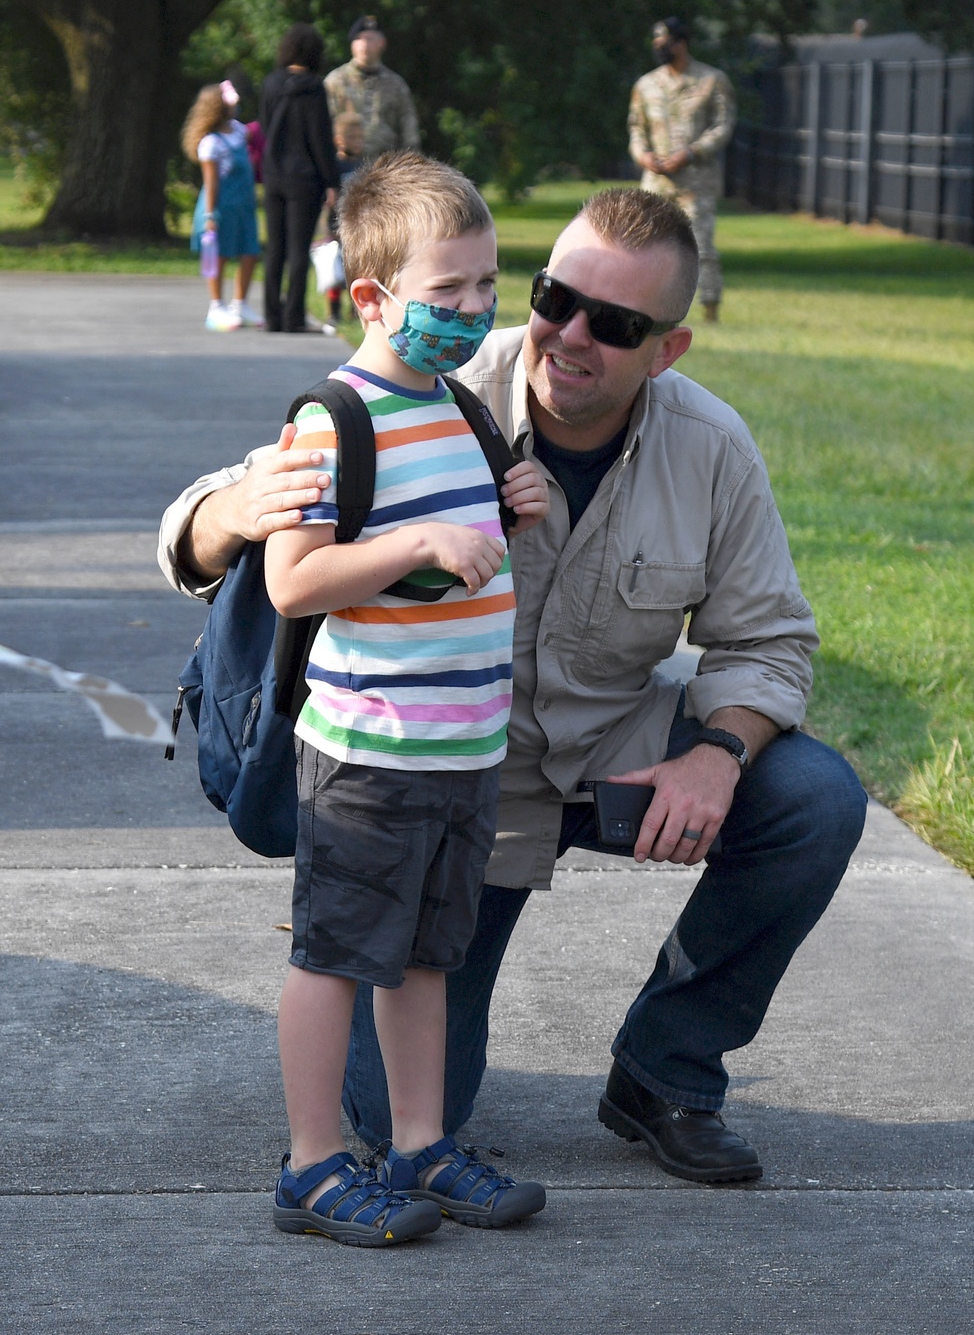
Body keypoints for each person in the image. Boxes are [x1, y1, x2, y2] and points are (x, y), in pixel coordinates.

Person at [159, 186, 868, 1188]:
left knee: (814, 799)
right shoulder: (430, 386)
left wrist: (719, 751)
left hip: (609, 747)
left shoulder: (710, 447)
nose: (569, 335)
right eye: (553, 297)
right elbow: (197, 526)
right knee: (399, 1111)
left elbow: (771, 642)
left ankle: (665, 1069)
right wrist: (235, 508)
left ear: (666, 349)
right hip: (446, 777)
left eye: (614, 325)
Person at [261, 152, 549, 1244]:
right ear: (372, 296)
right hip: (369, 753)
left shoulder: (465, 411)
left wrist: (509, 505)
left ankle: (421, 1141)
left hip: (462, 750)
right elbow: (296, 578)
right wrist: (409, 541)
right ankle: (312, 1164)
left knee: (431, 953)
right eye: (447, 293)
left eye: (486, 285)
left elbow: (461, 555)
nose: (474, 311)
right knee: (335, 955)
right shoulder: (335, 418)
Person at [628, 18, 736, 323]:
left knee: (700, 247)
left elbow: (722, 127)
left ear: (681, 43)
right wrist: (643, 156)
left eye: (663, 41)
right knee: (644, 246)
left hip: (695, 182)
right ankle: (641, 309)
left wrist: (690, 153)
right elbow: (636, 128)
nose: (657, 47)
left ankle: (710, 311)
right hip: (656, 181)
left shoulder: (712, 81)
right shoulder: (646, 85)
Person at [322, 16, 420, 329]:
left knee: (380, 237)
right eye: (360, 38)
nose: (366, 43)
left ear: (382, 43)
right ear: (353, 44)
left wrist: (410, 170)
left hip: (382, 172)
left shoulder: (395, 84)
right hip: (342, 171)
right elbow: (321, 128)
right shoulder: (335, 82)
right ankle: (337, 303)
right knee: (339, 239)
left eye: (372, 37)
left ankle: (373, 299)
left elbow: (409, 129)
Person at [258, 23, 341, 334]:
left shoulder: (270, 83)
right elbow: (320, 139)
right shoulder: (314, 89)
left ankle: (271, 315)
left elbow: (265, 127)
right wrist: (331, 180)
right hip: (305, 178)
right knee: (298, 250)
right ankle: (293, 316)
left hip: (274, 173)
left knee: (274, 248)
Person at [182, 80, 262, 331]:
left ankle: (241, 303)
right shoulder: (211, 143)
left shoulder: (239, 131)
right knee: (220, 256)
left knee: (250, 253)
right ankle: (216, 306)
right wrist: (210, 215)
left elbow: (258, 132)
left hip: (244, 206)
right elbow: (212, 183)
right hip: (221, 207)